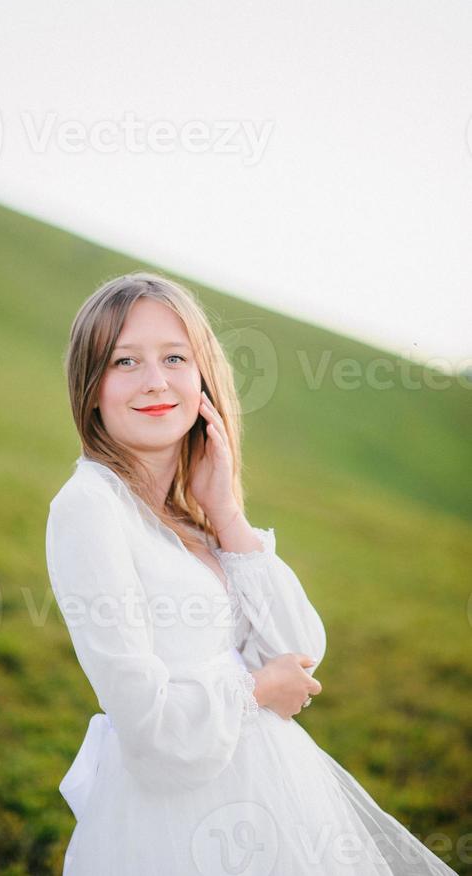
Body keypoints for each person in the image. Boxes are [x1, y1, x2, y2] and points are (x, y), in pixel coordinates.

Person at [45, 271, 456, 875]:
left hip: (274, 797)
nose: (156, 381)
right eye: (124, 361)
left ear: (203, 377)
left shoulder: (188, 517)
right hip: (180, 824)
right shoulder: (90, 508)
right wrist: (257, 691)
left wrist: (226, 513)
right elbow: (147, 728)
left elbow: (299, 649)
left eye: (175, 357)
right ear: (91, 388)